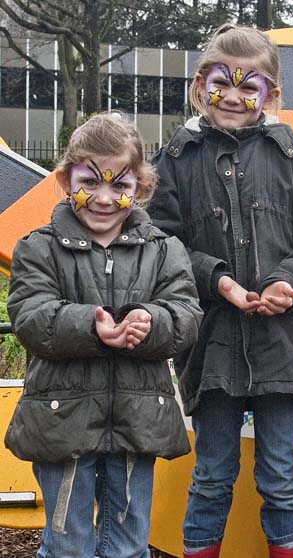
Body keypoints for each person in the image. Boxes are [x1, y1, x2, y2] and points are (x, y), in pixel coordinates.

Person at [147, 23, 293, 558]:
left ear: (271, 95)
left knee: (281, 476)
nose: (231, 96)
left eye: (247, 85)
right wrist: (216, 278)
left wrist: (289, 282)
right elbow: (161, 243)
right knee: (211, 474)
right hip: (210, 347)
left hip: (283, 347)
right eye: (219, 83)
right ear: (196, 86)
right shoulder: (176, 161)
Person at [4, 113, 202, 558]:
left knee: (129, 545)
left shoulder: (163, 249)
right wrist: (89, 326)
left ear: (141, 187)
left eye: (120, 186)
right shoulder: (39, 247)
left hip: (138, 420)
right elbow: (29, 315)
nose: (104, 197)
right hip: (61, 422)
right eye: (89, 182)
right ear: (64, 178)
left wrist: (152, 322)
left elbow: (186, 314)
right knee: (67, 544)